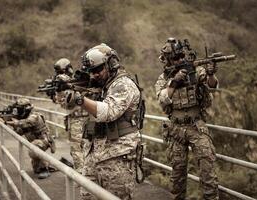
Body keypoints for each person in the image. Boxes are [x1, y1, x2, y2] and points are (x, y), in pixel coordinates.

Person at [66, 43, 144, 200]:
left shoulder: (124, 84)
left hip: (117, 158)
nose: (94, 75)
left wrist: (80, 99)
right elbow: (68, 105)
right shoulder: (101, 86)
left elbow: (109, 111)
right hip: (93, 155)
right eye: (91, 71)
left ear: (111, 64)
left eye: (97, 70)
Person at [155, 38, 219, 200]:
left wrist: (211, 74)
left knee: (208, 171)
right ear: (168, 60)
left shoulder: (196, 71)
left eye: (182, 56)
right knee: (177, 174)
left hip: (197, 126)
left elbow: (212, 86)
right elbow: (162, 99)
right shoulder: (163, 79)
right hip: (176, 129)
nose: (180, 60)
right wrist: (174, 82)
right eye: (176, 58)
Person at [4, 98, 55, 179]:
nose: (18, 111)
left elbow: (26, 123)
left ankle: (45, 169)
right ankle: (48, 165)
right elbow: (19, 132)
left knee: (33, 149)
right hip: (35, 143)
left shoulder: (34, 116)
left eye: (19, 109)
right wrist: (12, 124)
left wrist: (9, 122)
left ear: (26, 109)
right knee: (36, 169)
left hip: (43, 141)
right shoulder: (24, 118)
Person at [53, 58, 88, 173]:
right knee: (86, 148)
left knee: (76, 150)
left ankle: (81, 177)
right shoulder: (77, 80)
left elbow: (65, 104)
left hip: (77, 121)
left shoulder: (71, 81)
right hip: (88, 119)